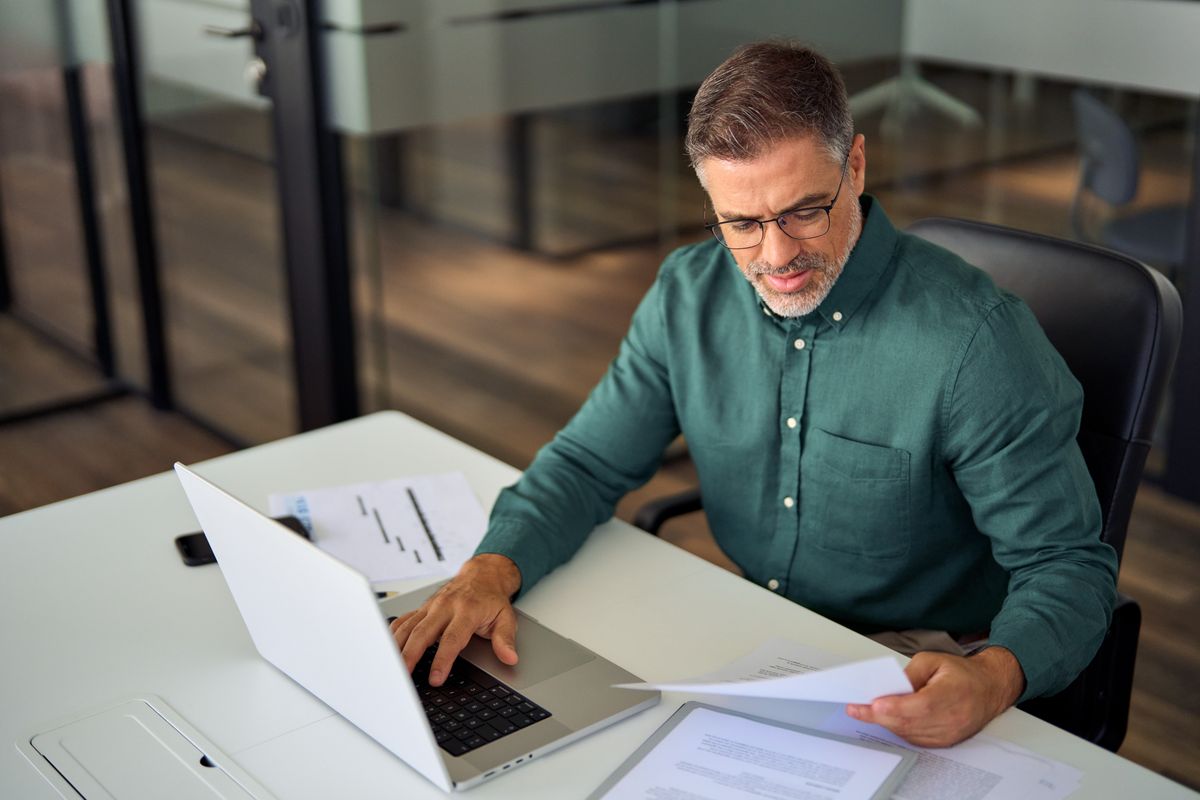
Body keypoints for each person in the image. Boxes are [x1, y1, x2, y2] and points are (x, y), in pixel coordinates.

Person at [389, 42, 1118, 748]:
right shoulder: (688, 293)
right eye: (740, 223)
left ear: (855, 165)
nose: (776, 257)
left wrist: (991, 678)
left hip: (919, 659)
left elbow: (1069, 568)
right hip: (751, 631)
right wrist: (490, 570)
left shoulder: (974, 343)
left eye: (805, 210)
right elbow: (585, 463)